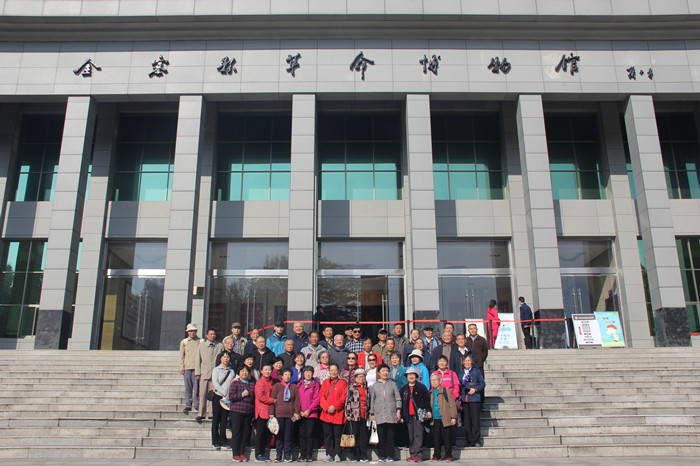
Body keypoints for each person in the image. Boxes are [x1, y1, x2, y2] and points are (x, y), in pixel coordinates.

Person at [369, 364, 401, 463]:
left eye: (387, 371)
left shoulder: (392, 384)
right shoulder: (375, 385)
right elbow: (372, 400)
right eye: (383, 371)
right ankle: (382, 455)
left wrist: (398, 411)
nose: (385, 373)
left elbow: (398, 398)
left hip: (391, 413)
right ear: (379, 373)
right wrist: (372, 413)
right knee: (381, 437)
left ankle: (390, 455)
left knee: (390, 437)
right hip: (379, 414)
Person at [270, 368, 301, 462]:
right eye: (285, 374)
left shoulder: (294, 387)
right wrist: (271, 413)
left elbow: (297, 401)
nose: (287, 376)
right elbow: (272, 400)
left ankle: (287, 455)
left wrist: (296, 412)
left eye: (289, 375)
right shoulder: (277, 386)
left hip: (290, 415)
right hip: (279, 414)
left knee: (288, 435)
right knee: (279, 435)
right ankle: (279, 455)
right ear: (282, 376)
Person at [400, 367, 430, 462]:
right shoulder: (404, 388)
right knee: (411, 435)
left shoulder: (421, 387)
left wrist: (428, 410)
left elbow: (427, 399)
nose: (411, 376)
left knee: (418, 434)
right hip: (408, 415)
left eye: (413, 374)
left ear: (416, 376)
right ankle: (412, 453)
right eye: (409, 375)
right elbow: (401, 401)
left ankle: (418, 454)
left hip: (418, 415)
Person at [320, 364, 347, 462]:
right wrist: (327, 407)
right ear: (329, 371)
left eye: (335, 370)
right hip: (326, 413)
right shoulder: (325, 383)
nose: (333, 372)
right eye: (331, 370)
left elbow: (343, 397)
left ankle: (337, 453)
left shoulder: (342, 383)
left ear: (338, 371)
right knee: (327, 435)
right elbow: (322, 397)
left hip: (337, 413)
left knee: (337, 435)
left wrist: (335, 407)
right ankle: (329, 453)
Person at [428, 373, 458, 462]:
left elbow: (452, 404)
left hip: (445, 418)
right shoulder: (430, 392)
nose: (433, 382)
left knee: (447, 438)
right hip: (435, 419)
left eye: (435, 380)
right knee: (436, 438)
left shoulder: (446, 390)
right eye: (432, 380)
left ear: (440, 381)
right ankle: (436, 455)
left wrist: (453, 417)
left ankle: (448, 455)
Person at [228, 365, 255, 462]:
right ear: (239, 373)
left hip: (248, 411)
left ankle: (242, 453)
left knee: (245, 433)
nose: (244, 373)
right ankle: (235, 454)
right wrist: (243, 394)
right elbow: (231, 396)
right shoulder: (235, 383)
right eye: (242, 371)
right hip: (237, 411)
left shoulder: (251, 383)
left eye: (246, 371)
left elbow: (253, 395)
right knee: (237, 433)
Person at [195, 329, 223, 422]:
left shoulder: (219, 346)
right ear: (206, 335)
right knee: (202, 394)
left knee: (213, 395)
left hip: (215, 374)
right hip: (204, 373)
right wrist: (198, 372)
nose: (212, 336)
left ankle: (211, 413)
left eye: (214, 334)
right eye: (210, 334)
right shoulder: (201, 346)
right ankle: (201, 413)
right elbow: (198, 360)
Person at [458, 355, 485, 448]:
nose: (467, 363)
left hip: (474, 399)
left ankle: (476, 440)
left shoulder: (476, 372)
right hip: (465, 399)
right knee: (467, 421)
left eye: (469, 361)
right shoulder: (461, 373)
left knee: (475, 420)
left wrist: (475, 389)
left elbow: (482, 383)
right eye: (465, 361)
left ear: (472, 362)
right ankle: (469, 440)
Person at [344, 369, 370, 462]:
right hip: (354, 415)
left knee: (363, 436)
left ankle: (363, 455)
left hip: (364, 415)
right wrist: (347, 414)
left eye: (362, 377)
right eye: (359, 377)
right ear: (355, 378)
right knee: (355, 436)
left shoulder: (366, 388)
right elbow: (348, 401)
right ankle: (355, 456)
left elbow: (368, 401)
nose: (361, 378)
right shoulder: (352, 387)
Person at [211, 352, 235, 450]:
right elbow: (215, 383)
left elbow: (233, 383)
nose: (226, 359)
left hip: (227, 398)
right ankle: (215, 441)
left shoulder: (231, 371)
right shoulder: (216, 370)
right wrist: (224, 393)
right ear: (220, 358)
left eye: (227, 357)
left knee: (224, 420)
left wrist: (229, 394)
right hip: (218, 396)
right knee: (216, 419)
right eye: (224, 357)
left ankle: (223, 441)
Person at [297, 365, 321, 462]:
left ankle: (309, 455)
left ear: (312, 374)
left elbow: (317, 400)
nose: (307, 374)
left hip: (311, 414)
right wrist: (299, 411)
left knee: (309, 434)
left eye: (309, 372)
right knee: (301, 435)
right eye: (306, 372)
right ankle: (302, 454)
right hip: (301, 414)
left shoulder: (316, 385)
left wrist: (308, 410)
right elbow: (296, 398)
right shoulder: (299, 384)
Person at [253, 363, 276, 462]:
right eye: (265, 370)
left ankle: (263, 453)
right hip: (261, 411)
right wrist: (272, 400)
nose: (267, 371)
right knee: (260, 434)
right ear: (261, 371)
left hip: (269, 411)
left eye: (269, 370)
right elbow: (260, 397)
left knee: (265, 434)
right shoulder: (260, 382)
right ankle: (258, 454)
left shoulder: (271, 381)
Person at [179, 323, 201, 415]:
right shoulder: (184, 342)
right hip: (187, 367)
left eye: (194, 331)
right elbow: (181, 355)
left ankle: (196, 404)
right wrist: (181, 367)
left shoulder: (201, 341)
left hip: (197, 368)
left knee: (197, 388)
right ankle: (188, 404)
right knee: (188, 387)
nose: (192, 333)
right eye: (190, 331)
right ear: (187, 332)